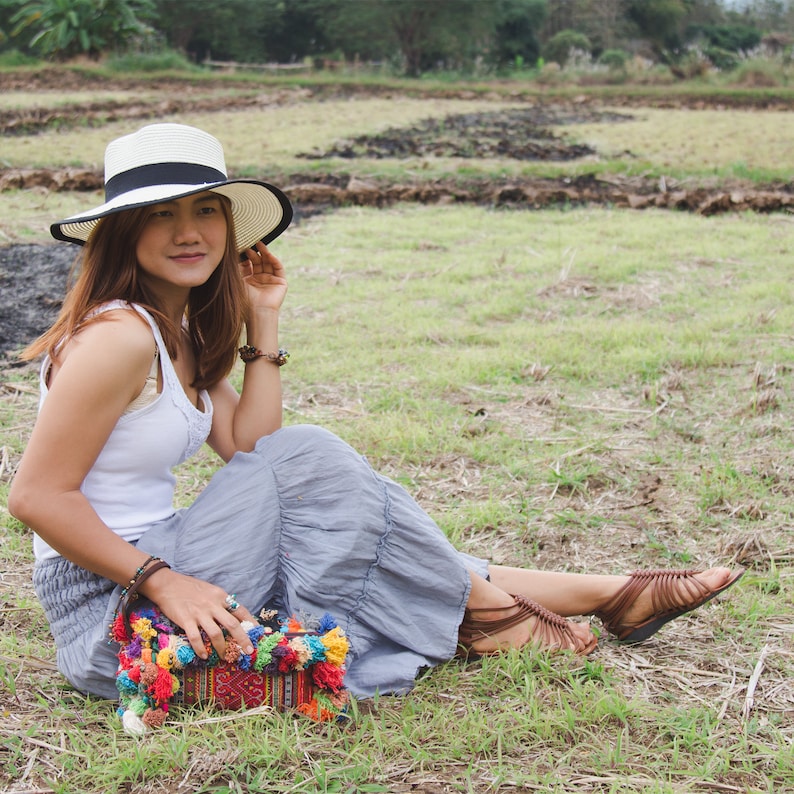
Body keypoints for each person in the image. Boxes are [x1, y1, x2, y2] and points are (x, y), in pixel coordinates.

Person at [8, 123, 744, 703]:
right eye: (161, 214)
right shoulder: (117, 337)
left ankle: (596, 596)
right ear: (123, 230)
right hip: (114, 608)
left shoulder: (169, 331)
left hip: (161, 562)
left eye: (206, 209)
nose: (189, 230)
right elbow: (35, 497)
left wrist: (262, 323)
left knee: (319, 476)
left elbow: (247, 446)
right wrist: (163, 580)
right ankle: (515, 613)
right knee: (313, 458)